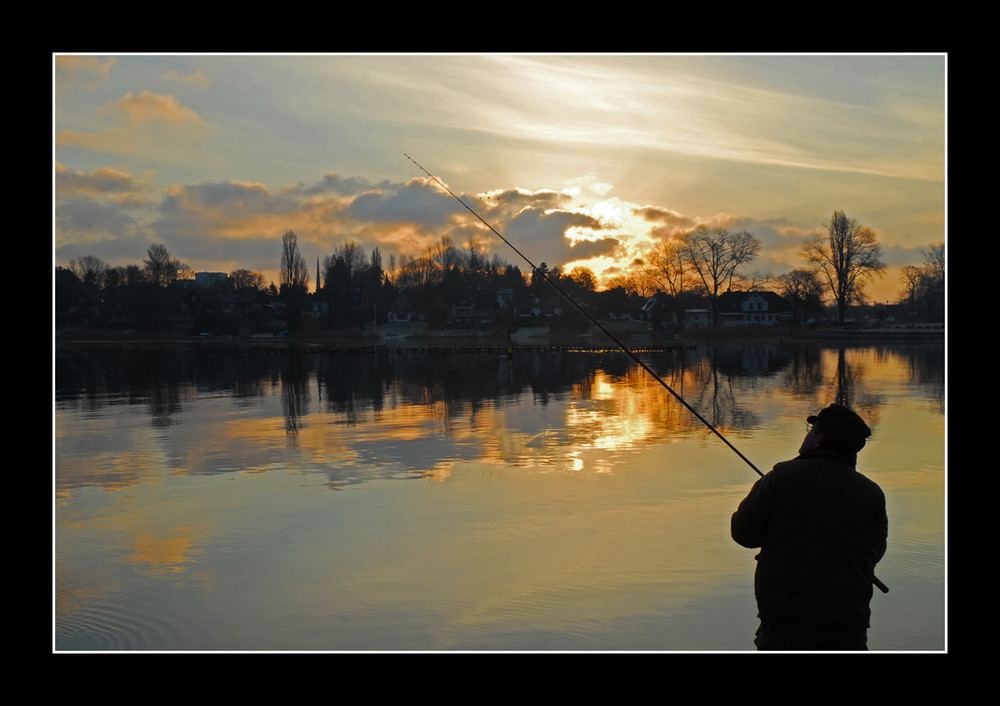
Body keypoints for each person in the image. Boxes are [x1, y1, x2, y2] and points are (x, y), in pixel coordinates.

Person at [731, 403, 888, 651]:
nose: (806, 435)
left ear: (819, 440)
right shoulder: (872, 493)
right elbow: (875, 552)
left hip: (786, 624)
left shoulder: (782, 477)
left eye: (810, 430)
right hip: (850, 626)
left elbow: (743, 533)